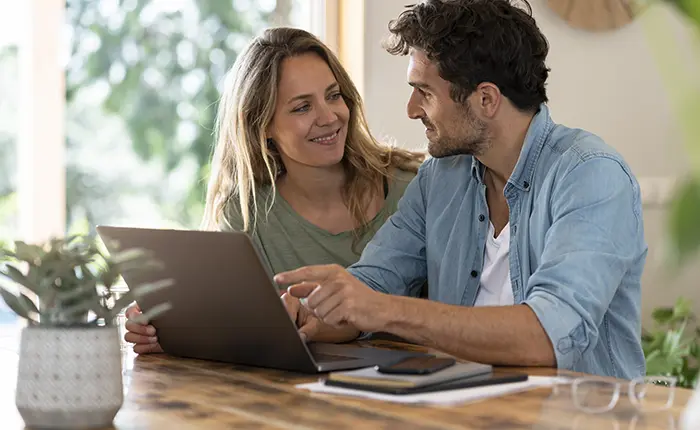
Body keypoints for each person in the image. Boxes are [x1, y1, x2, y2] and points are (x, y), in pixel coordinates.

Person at [275, 0, 647, 379]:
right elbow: (372, 283)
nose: (411, 109)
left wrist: (384, 308)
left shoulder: (590, 175)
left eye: (425, 92)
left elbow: (549, 337)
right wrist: (314, 315)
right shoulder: (440, 177)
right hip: (462, 407)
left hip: (577, 414)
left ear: (485, 99)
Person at [123, 27, 425, 354]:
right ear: (262, 124)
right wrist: (171, 331)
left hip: (422, 387)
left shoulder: (413, 187)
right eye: (302, 107)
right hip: (300, 393)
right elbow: (228, 323)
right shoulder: (246, 214)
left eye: (333, 95)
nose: (329, 117)